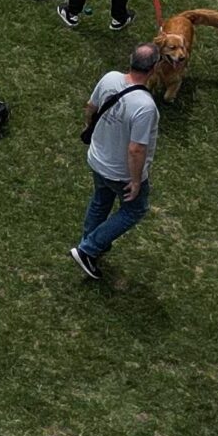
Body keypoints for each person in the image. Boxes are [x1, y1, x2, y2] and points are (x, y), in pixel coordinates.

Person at [70, 45, 160, 280]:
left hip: (97, 158)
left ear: (130, 61)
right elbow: (136, 148)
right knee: (134, 209)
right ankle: (88, 249)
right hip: (119, 171)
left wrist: (88, 127)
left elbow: (91, 107)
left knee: (101, 199)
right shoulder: (145, 106)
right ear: (153, 69)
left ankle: (89, 242)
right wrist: (137, 180)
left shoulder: (110, 78)